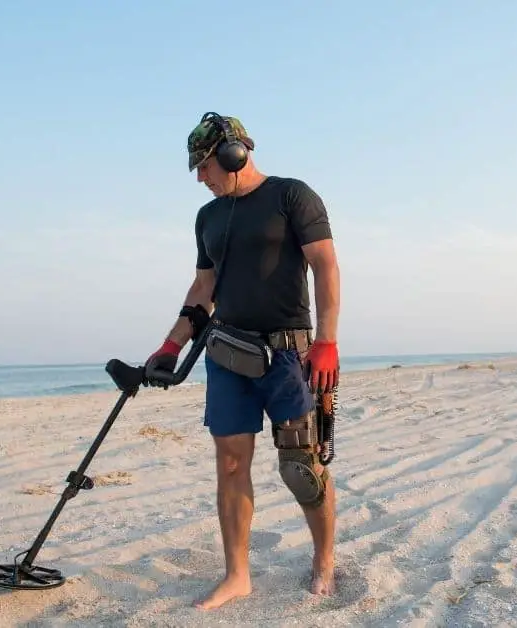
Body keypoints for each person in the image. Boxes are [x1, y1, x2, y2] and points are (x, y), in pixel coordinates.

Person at [142, 112, 342, 610]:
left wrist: (328, 341)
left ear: (235, 154)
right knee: (230, 465)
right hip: (227, 353)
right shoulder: (207, 218)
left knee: (302, 465)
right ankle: (237, 575)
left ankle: (324, 560)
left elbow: (326, 266)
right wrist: (170, 345)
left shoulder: (292, 196)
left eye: (205, 164)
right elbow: (203, 286)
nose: (200, 177)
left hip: (288, 353)